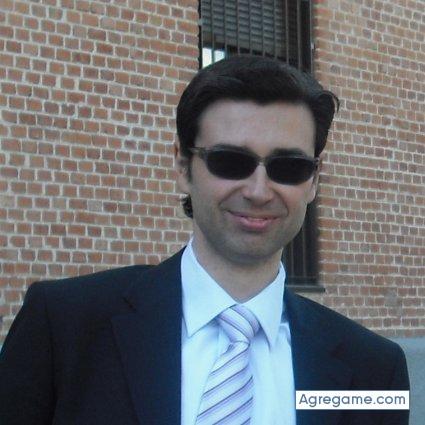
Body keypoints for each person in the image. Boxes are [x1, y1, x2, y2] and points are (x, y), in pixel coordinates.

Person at [0, 56, 409, 425]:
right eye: (230, 161)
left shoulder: (373, 370)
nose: (259, 191)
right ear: (183, 166)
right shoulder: (64, 327)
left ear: (314, 180)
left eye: (289, 166)